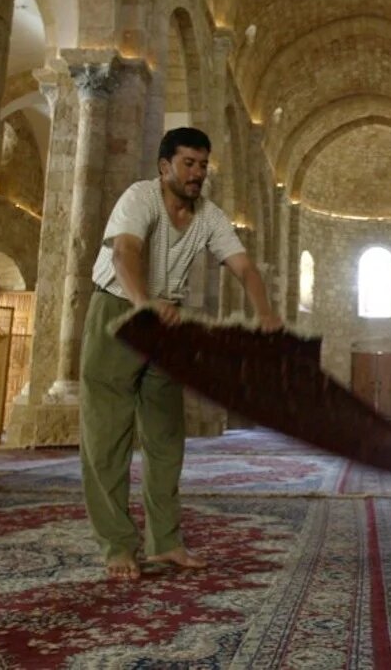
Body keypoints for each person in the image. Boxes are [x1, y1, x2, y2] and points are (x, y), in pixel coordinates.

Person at [79, 126, 282, 579]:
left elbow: (244, 267)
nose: (197, 173)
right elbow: (125, 254)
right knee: (108, 435)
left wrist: (265, 314)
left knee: (167, 437)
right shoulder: (140, 198)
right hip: (119, 310)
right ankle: (117, 545)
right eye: (189, 163)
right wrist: (144, 307)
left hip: (167, 323)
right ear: (164, 166)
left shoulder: (209, 215)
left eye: (203, 165)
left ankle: (165, 542)